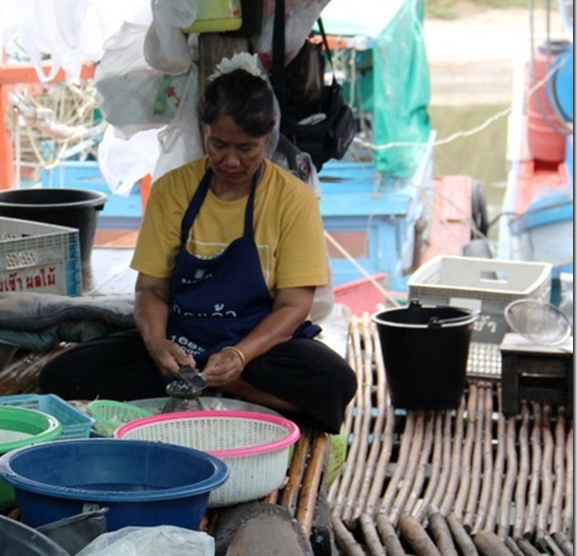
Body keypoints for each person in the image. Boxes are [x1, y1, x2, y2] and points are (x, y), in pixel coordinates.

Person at [38, 54, 357, 434]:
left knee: (335, 381)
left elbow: (294, 305)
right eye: (219, 145)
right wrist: (158, 346)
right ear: (202, 129)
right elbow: (152, 290)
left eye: (246, 148)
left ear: (267, 138)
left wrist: (239, 357)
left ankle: (236, 389)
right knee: (63, 373)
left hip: (255, 345)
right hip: (181, 343)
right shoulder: (173, 190)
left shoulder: (293, 199)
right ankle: (199, 387)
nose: (231, 161)